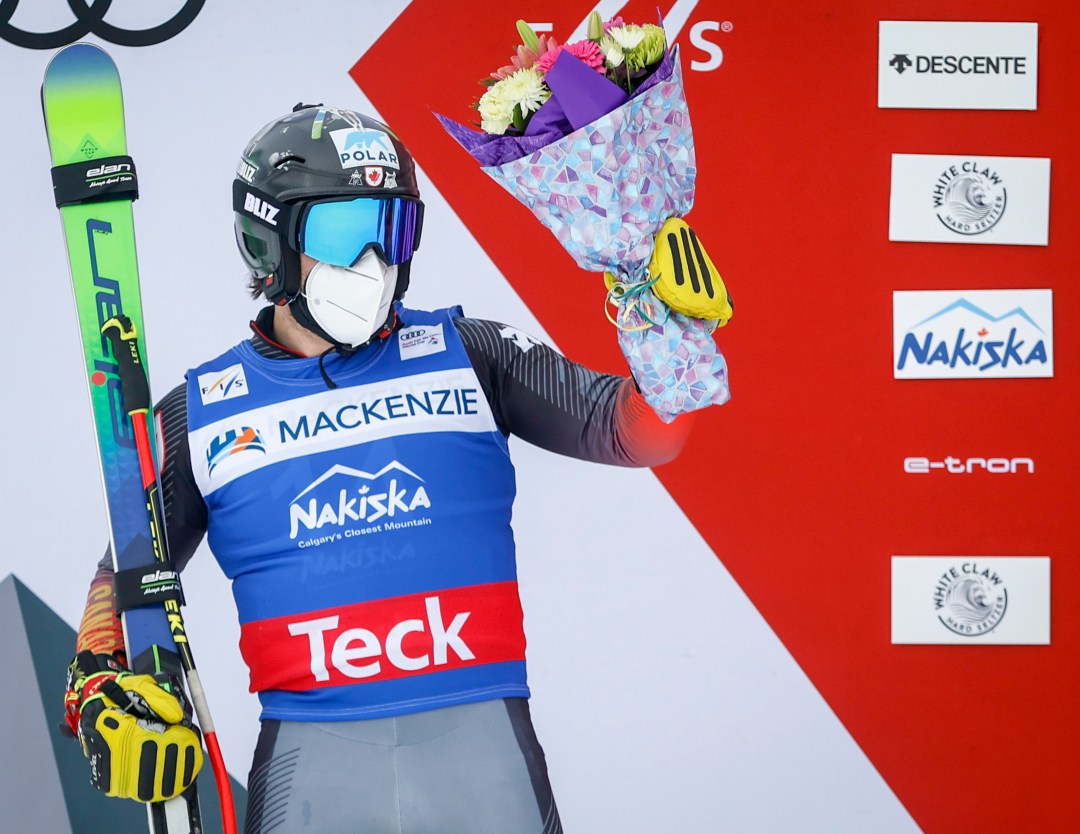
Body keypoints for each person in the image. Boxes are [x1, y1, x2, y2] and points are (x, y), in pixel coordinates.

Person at [63, 104, 698, 834]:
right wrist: (102, 688)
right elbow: (121, 577)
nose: (373, 264)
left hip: (485, 760)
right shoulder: (201, 412)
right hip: (314, 769)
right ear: (268, 243)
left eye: (392, 230)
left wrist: (669, 337)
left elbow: (643, 435)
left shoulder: (474, 352)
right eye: (342, 233)